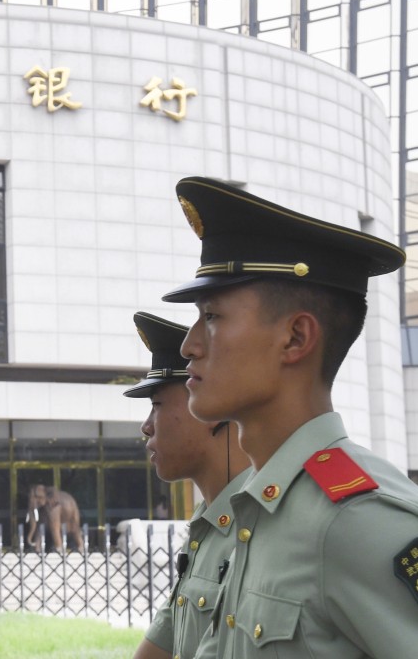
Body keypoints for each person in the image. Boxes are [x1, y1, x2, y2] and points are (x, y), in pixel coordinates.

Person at [162, 177, 418, 658]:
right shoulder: (255, 507)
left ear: (296, 338)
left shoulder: (356, 520)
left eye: (212, 317)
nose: (189, 345)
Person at [125, 311, 252, 659]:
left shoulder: (268, 520)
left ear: (210, 407)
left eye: (157, 406)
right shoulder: (206, 527)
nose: (146, 427)